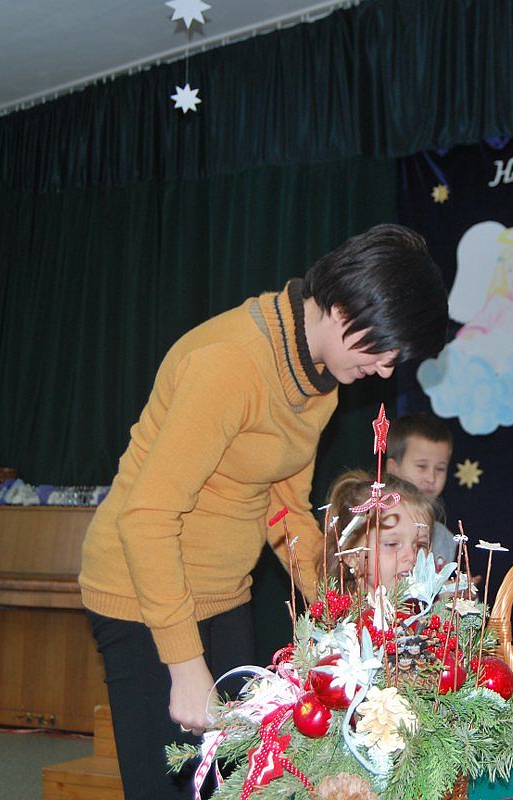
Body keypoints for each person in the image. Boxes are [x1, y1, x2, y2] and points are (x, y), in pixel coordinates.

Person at [78, 224, 447, 800]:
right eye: (381, 350)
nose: (384, 370)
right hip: (142, 598)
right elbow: (146, 517)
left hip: (223, 592)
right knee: (172, 787)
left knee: (238, 784)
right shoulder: (230, 363)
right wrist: (184, 665)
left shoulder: (319, 378)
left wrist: (339, 603)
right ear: (344, 307)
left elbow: (284, 509)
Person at [324, 470, 436, 594]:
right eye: (391, 544)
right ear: (351, 556)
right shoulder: (334, 607)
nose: (412, 557)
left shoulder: (439, 605)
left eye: (420, 545)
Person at [385, 412, 457, 564]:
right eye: (422, 466)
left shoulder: (444, 538)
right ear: (393, 468)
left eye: (440, 468)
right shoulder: (377, 524)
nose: (431, 478)